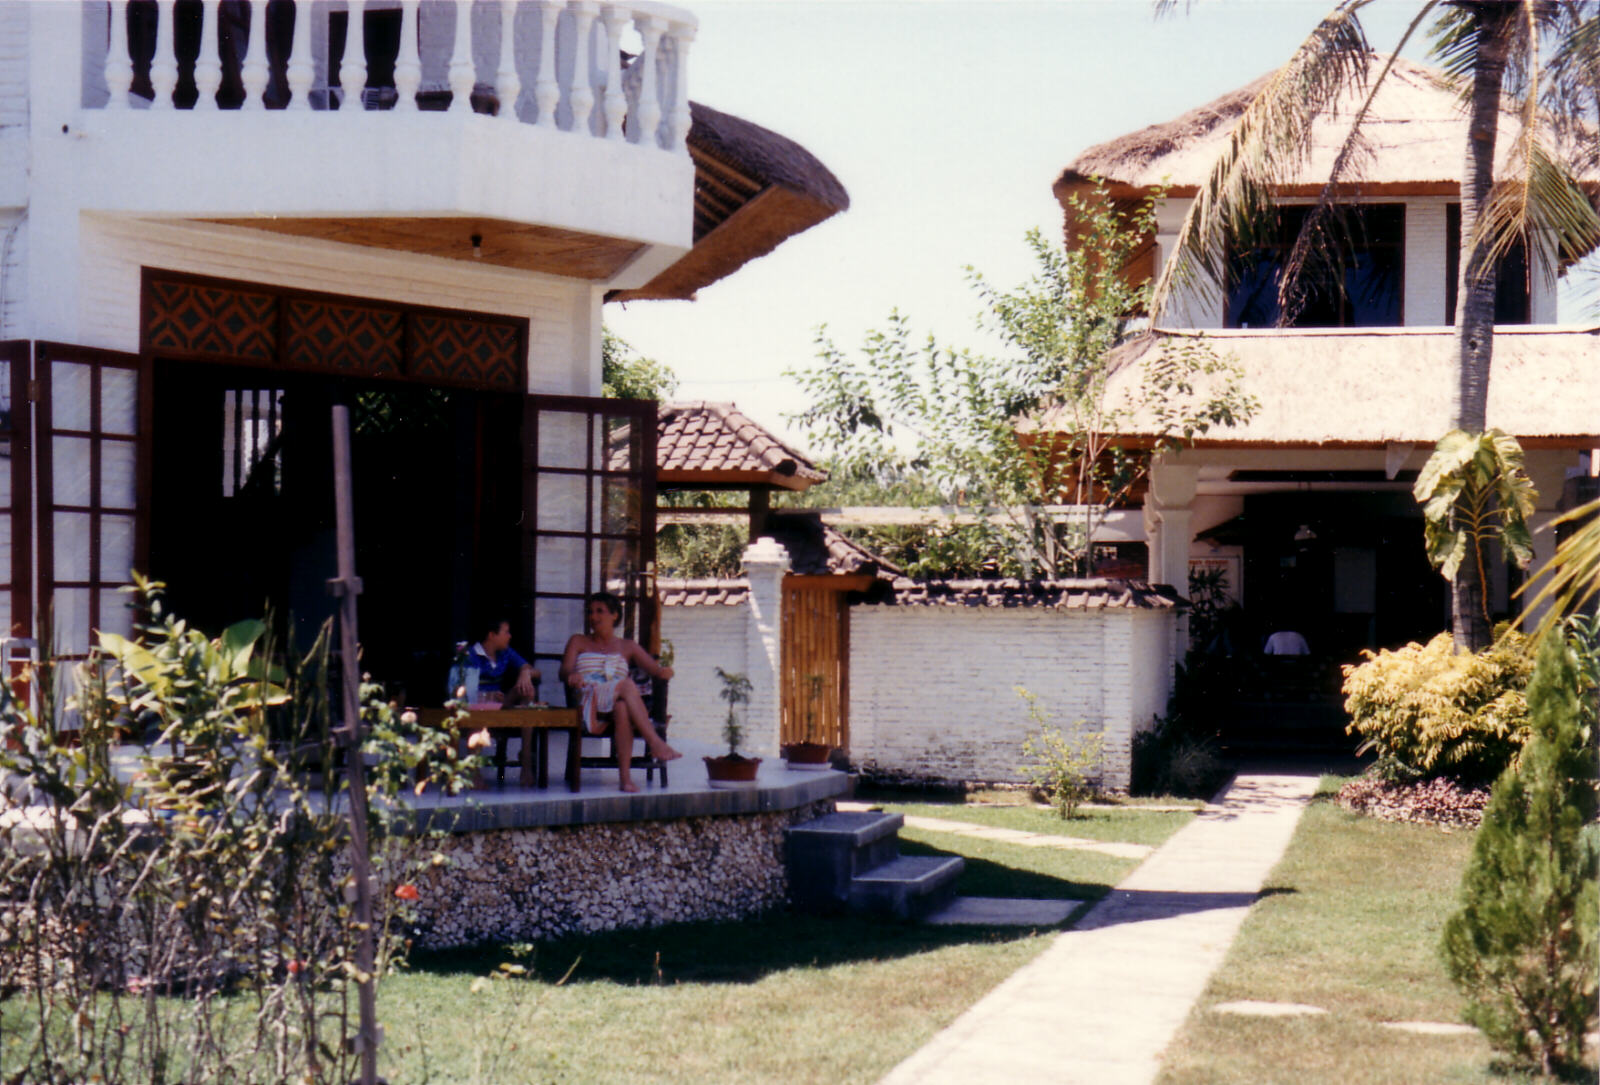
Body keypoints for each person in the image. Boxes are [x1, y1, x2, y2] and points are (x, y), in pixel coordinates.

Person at [561, 591, 680, 793]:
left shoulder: (627, 646)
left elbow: (655, 670)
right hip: (589, 698)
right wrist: (572, 675)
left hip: (617, 699)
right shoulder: (578, 641)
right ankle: (654, 741)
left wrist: (665, 671)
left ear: (615, 615)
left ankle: (625, 780)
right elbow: (564, 670)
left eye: (600, 611)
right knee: (625, 685)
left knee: (623, 708)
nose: (594, 617)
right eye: (590, 612)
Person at [462, 614, 541, 704]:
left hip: (498, 705)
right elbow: (466, 692)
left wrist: (526, 673)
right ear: (491, 635)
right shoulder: (470, 655)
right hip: (474, 708)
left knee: (525, 689)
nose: (510, 636)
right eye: (506, 632)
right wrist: (490, 696)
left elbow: (536, 672)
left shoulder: (505, 652)